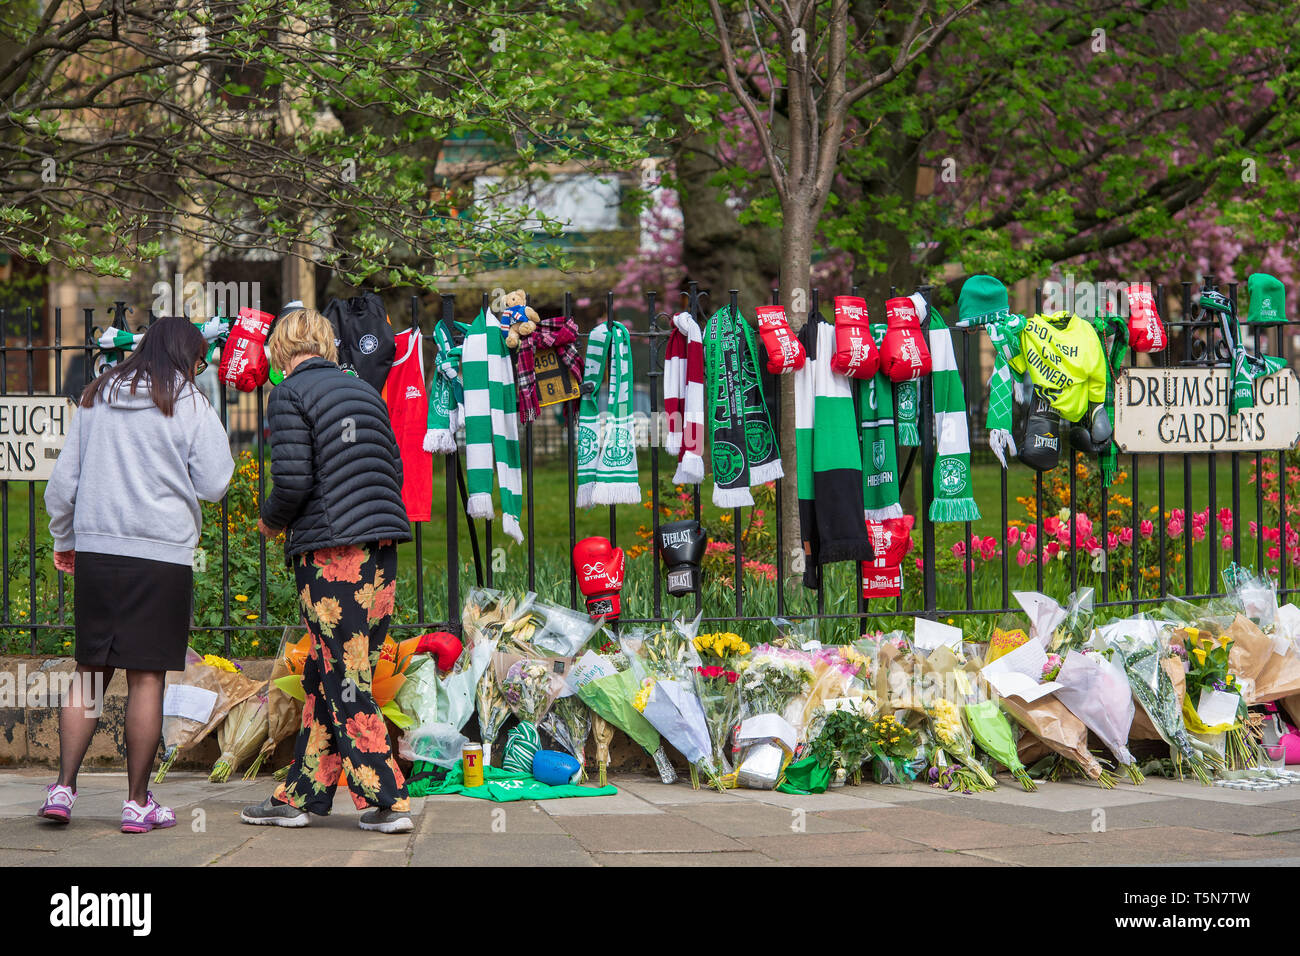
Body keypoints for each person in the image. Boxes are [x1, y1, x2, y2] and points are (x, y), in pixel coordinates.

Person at [40, 316, 235, 833]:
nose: (201, 366)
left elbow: (62, 486)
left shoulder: (96, 395)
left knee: (90, 673)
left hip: (100, 552)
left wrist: (66, 539)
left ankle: (63, 788)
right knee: (147, 676)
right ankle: (136, 802)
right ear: (186, 356)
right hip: (162, 556)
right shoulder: (189, 402)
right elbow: (216, 483)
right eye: (198, 359)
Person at [240, 307, 414, 833]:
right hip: (382, 547)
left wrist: (271, 522)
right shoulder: (363, 390)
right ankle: (301, 796)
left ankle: (387, 799)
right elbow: (394, 467)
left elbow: (293, 481)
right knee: (325, 674)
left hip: (334, 554)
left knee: (344, 675)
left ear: (283, 350)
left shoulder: (291, 393)